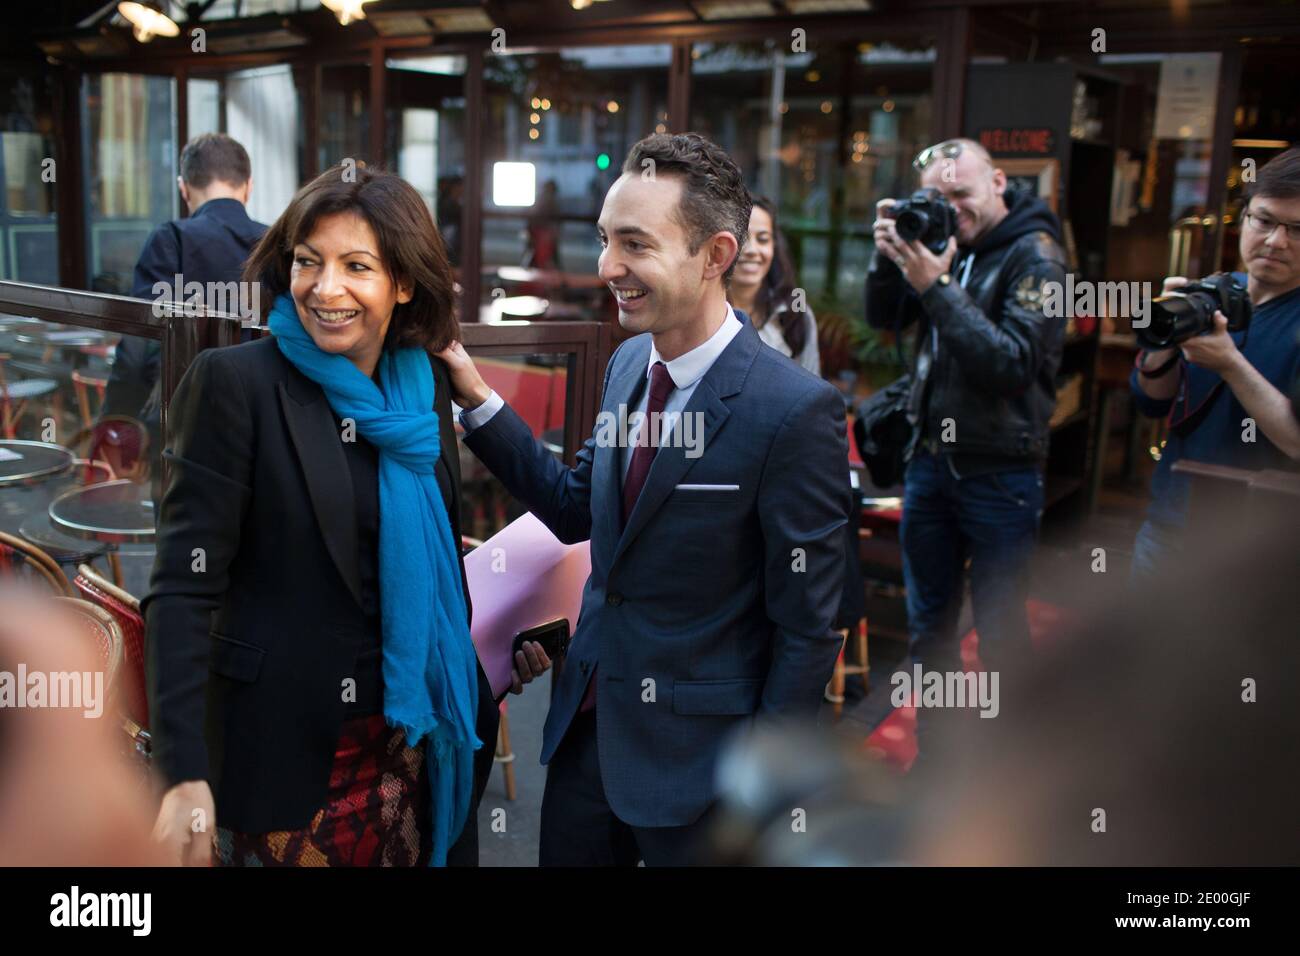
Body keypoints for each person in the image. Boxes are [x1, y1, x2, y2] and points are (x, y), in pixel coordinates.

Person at [438, 132, 851, 866]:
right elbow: (576, 510)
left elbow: (807, 629)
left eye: (633, 243)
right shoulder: (629, 362)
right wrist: (475, 393)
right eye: (603, 240)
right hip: (584, 741)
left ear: (716, 256)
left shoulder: (793, 411)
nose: (606, 268)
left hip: (702, 774)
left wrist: (759, 794)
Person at [143, 164, 550, 868]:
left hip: (411, 745)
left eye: (356, 266)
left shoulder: (420, 392)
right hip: (285, 753)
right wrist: (181, 771)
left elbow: (436, 568)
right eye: (308, 261)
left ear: (403, 283)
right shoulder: (237, 386)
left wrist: (493, 652)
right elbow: (182, 589)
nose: (325, 288)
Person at [866, 137, 1067, 760]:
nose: (952, 209)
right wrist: (890, 258)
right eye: (939, 197)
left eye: (963, 194)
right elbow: (880, 318)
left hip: (1000, 473)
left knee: (1002, 631)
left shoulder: (1038, 257)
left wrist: (936, 286)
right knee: (931, 632)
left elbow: (1011, 364)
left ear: (999, 182)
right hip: (931, 465)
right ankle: (939, 763)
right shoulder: (947, 248)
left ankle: (1007, 773)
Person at [1130, 147, 1300, 578]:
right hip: (1168, 527)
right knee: (1143, 646)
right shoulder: (1213, 294)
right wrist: (1165, 336)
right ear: (1243, 218)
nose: (1275, 241)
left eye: (1297, 229)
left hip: (1258, 552)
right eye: (1263, 220)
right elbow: (1151, 401)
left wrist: (1231, 365)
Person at [102, 133, 268, 444]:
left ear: (184, 188)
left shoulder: (171, 240)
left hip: (185, 427)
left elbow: (140, 347)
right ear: (248, 186)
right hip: (264, 423)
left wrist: (115, 424)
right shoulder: (275, 243)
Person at [730, 196, 820, 375]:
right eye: (741, 238)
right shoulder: (699, 312)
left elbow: (812, 386)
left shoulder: (796, 310)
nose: (751, 250)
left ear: (774, 246)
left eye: (763, 239)